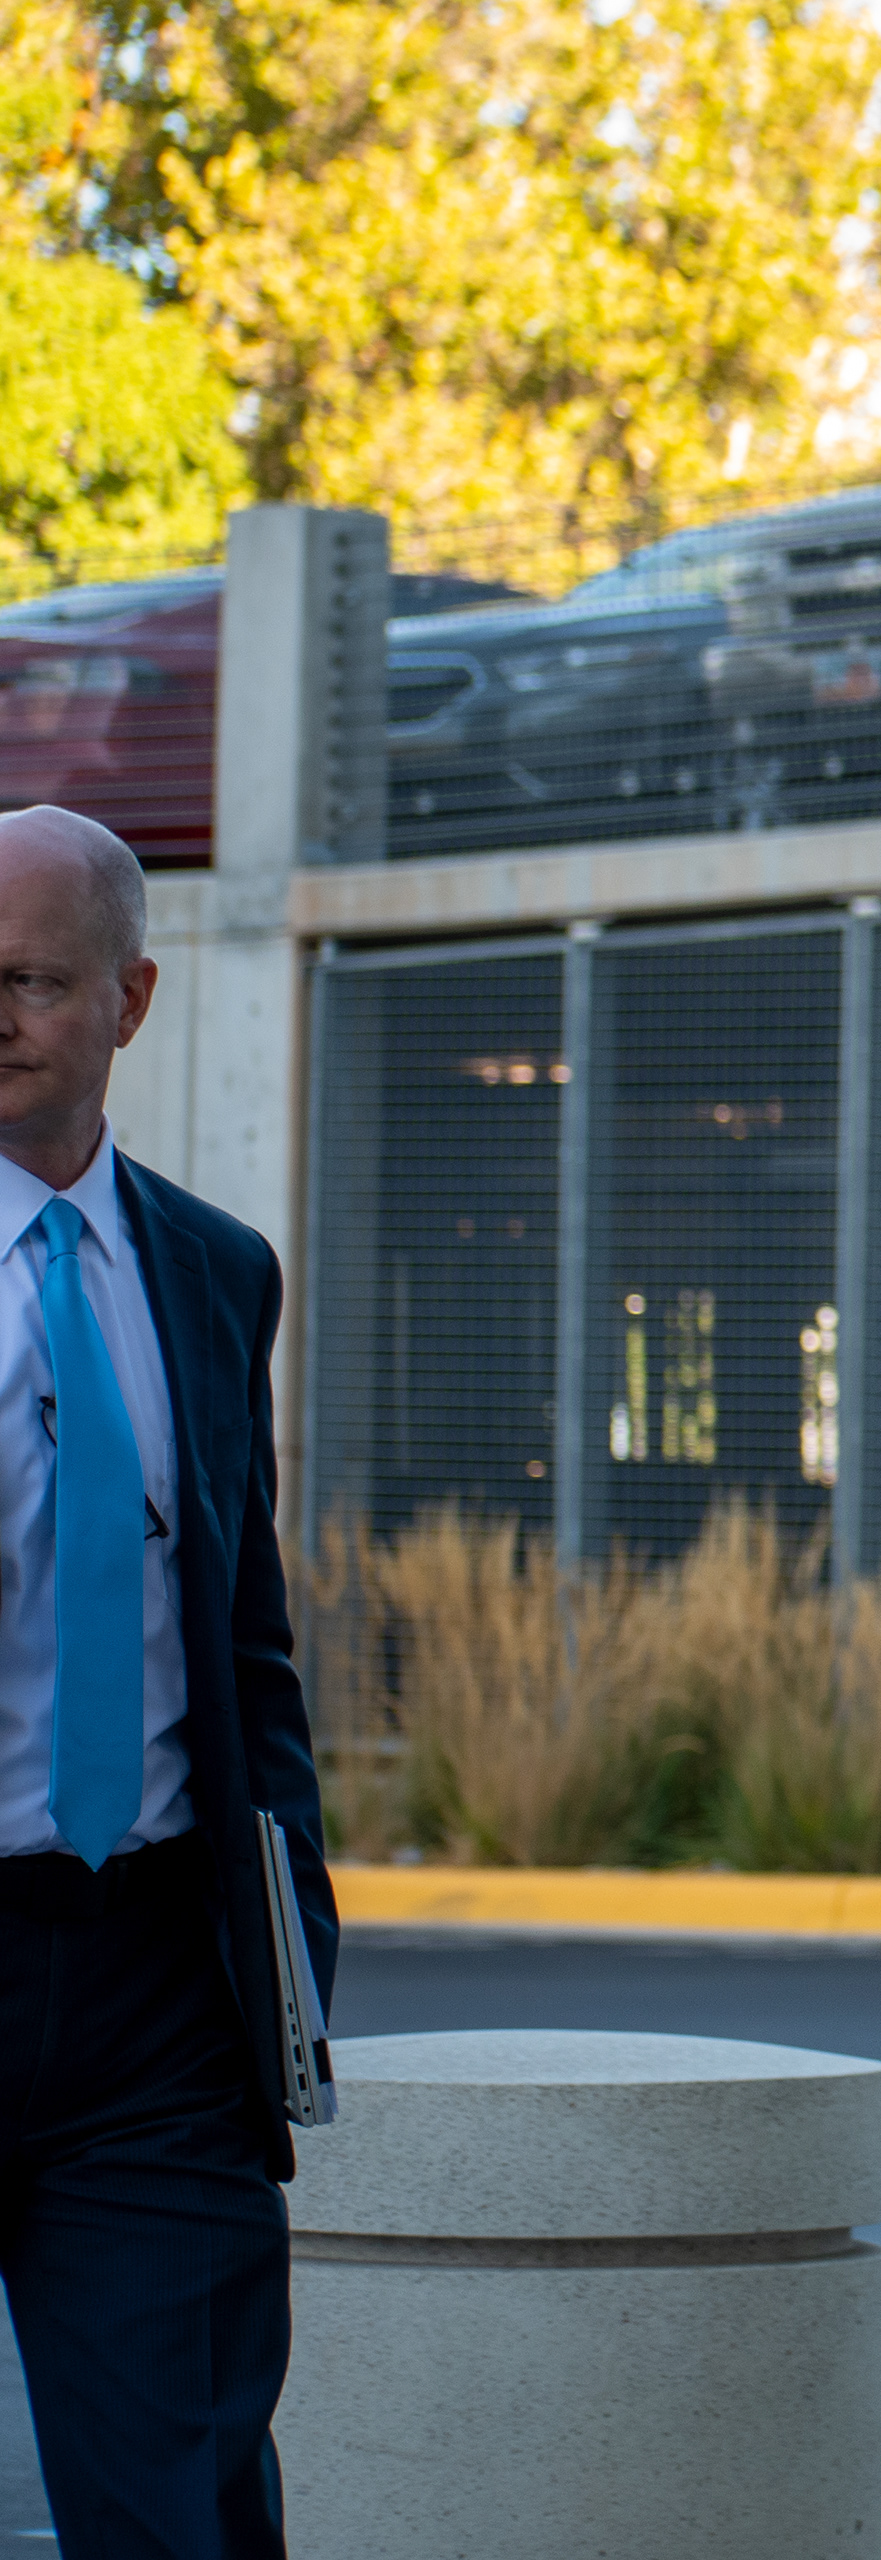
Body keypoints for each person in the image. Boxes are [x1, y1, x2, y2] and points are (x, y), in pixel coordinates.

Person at [0, 805, 331, 2560]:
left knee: (185, 2509)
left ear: (129, 1000)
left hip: (155, 2007)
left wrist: (288, 1962)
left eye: (31, 983)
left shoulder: (214, 1271)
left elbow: (247, 1643)